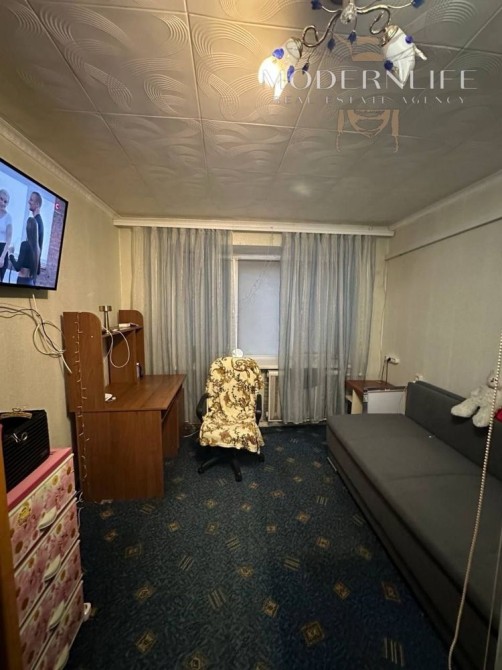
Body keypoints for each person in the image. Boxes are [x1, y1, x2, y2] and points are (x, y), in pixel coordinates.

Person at [9, 217, 39, 286]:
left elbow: (17, 267)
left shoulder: (24, 244)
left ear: (27, 229)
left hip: (22, 281)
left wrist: (11, 254)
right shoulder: (37, 249)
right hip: (31, 282)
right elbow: (38, 271)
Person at [28, 191, 43, 274]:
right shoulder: (38, 221)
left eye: (31, 200)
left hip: (30, 269)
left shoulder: (35, 222)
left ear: (37, 204)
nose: (29, 202)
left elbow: (34, 247)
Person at [0, 188, 13, 281]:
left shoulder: (8, 217)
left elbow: (9, 240)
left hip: (2, 249)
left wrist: (2, 257)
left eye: (5, 201)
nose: (2, 203)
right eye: (1, 199)